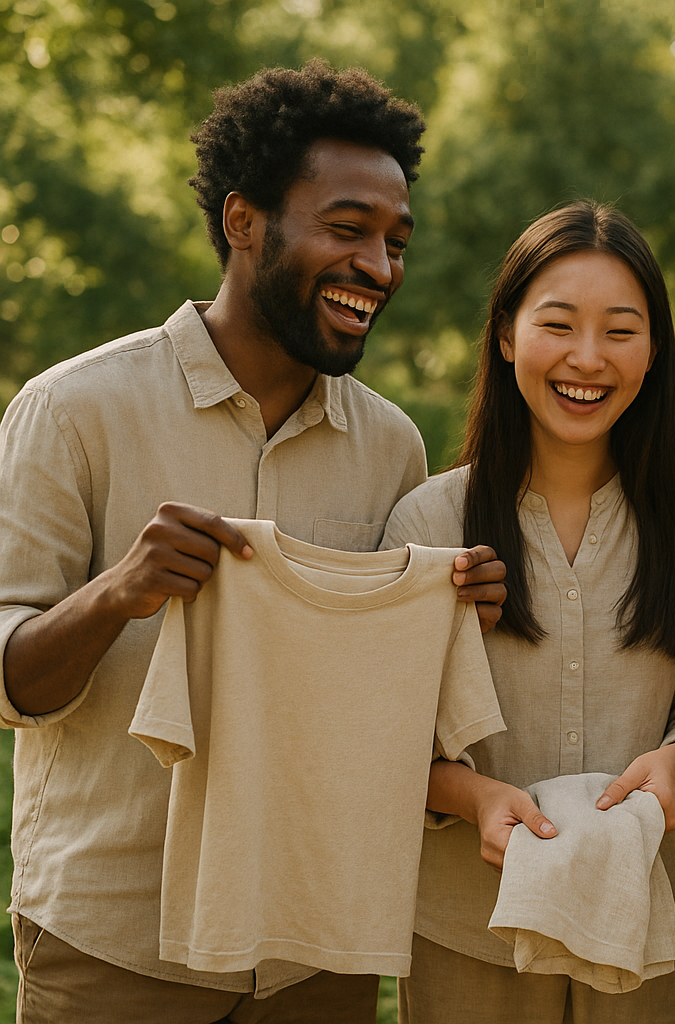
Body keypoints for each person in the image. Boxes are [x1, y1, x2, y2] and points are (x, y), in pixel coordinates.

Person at [0, 61, 506, 1022]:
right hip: (116, 950)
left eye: (397, 242)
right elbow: (8, 686)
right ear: (243, 221)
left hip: (314, 955)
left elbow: (385, 706)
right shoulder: (73, 412)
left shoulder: (393, 446)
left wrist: (450, 619)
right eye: (348, 230)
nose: (381, 269)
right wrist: (119, 593)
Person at [381, 201, 675, 1024]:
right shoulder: (428, 526)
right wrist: (473, 799)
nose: (588, 358)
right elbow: (384, 731)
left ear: (654, 352)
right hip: (471, 927)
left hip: (656, 926)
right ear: (506, 335)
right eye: (558, 324)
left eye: (621, 330)